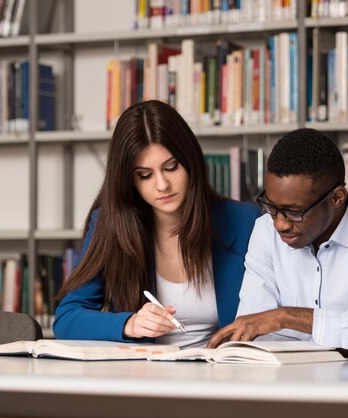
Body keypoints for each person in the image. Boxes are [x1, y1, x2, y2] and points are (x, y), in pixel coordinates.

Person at [207, 128, 348, 360]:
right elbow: (255, 337)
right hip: (292, 386)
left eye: (294, 212)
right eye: (271, 206)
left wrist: (286, 317)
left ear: (337, 198)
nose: (280, 224)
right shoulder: (265, 231)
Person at [53, 100, 260, 347]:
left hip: (225, 374)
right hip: (144, 377)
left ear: (191, 161)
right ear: (129, 181)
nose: (162, 185)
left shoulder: (245, 222)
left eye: (171, 167)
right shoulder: (109, 225)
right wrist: (129, 324)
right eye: (145, 175)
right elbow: (67, 319)